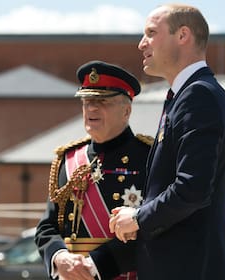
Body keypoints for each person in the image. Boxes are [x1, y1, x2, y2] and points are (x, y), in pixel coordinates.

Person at [109, 4, 225, 280]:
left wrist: (138, 218)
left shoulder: (198, 96)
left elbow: (192, 188)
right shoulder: (186, 96)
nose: (141, 43)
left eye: (151, 33)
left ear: (183, 35)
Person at [35, 60, 154, 280]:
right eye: (87, 101)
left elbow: (156, 226)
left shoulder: (148, 157)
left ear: (126, 111)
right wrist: (59, 257)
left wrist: (97, 264)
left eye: (102, 102)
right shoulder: (68, 159)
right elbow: (47, 227)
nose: (91, 108)